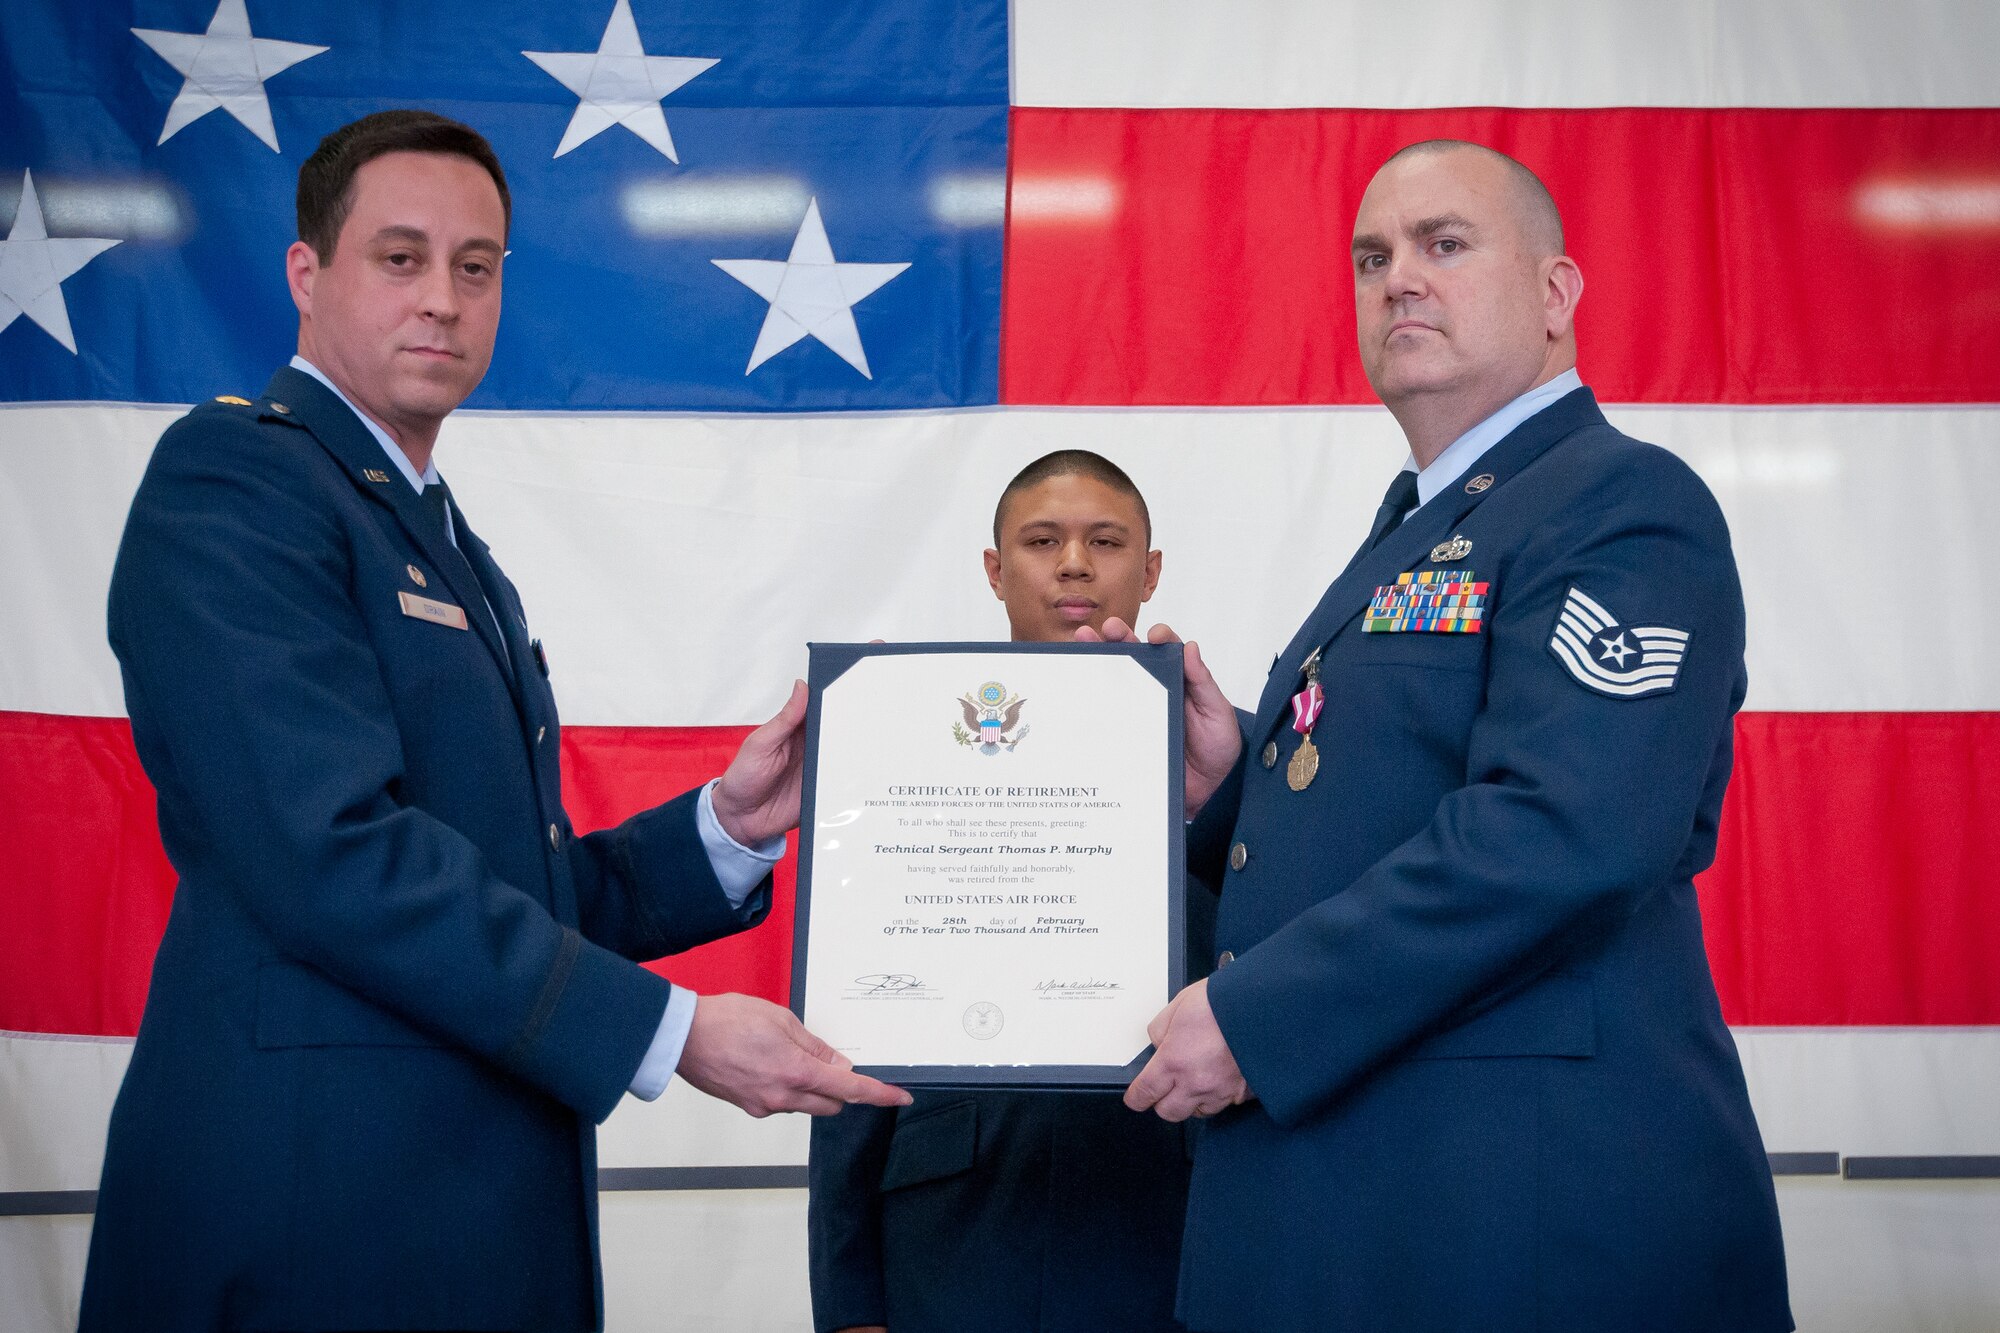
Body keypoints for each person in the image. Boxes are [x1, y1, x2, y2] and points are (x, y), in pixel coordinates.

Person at [78, 110, 907, 1333]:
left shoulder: (434, 531)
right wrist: (670, 1032)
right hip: (316, 1216)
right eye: (399, 257)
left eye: (476, 267)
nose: (443, 301)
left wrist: (724, 829)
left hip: (450, 1210)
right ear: (307, 274)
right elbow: (332, 852)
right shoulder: (238, 481)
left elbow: (502, 885)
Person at [1087, 141, 1793, 1331]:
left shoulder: (1620, 501)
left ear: (1556, 292)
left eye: (1443, 244)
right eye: (1371, 257)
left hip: (1514, 1218)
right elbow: (1386, 794)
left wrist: (1258, 1016)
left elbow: (1567, 825)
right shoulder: (1427, 522)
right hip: (1380, 1204)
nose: (1397, 278)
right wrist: (1227, 785)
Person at [807, 450, 1219, 1333]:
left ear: (1149, 572)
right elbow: (857, 1013)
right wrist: (849, 1304)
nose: (1074, 562)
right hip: (948, 1229)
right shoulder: (899, 732)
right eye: (1042, 539)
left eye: (1105, 540)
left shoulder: (1214, 757)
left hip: (1159, 1217)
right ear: (995, 570)